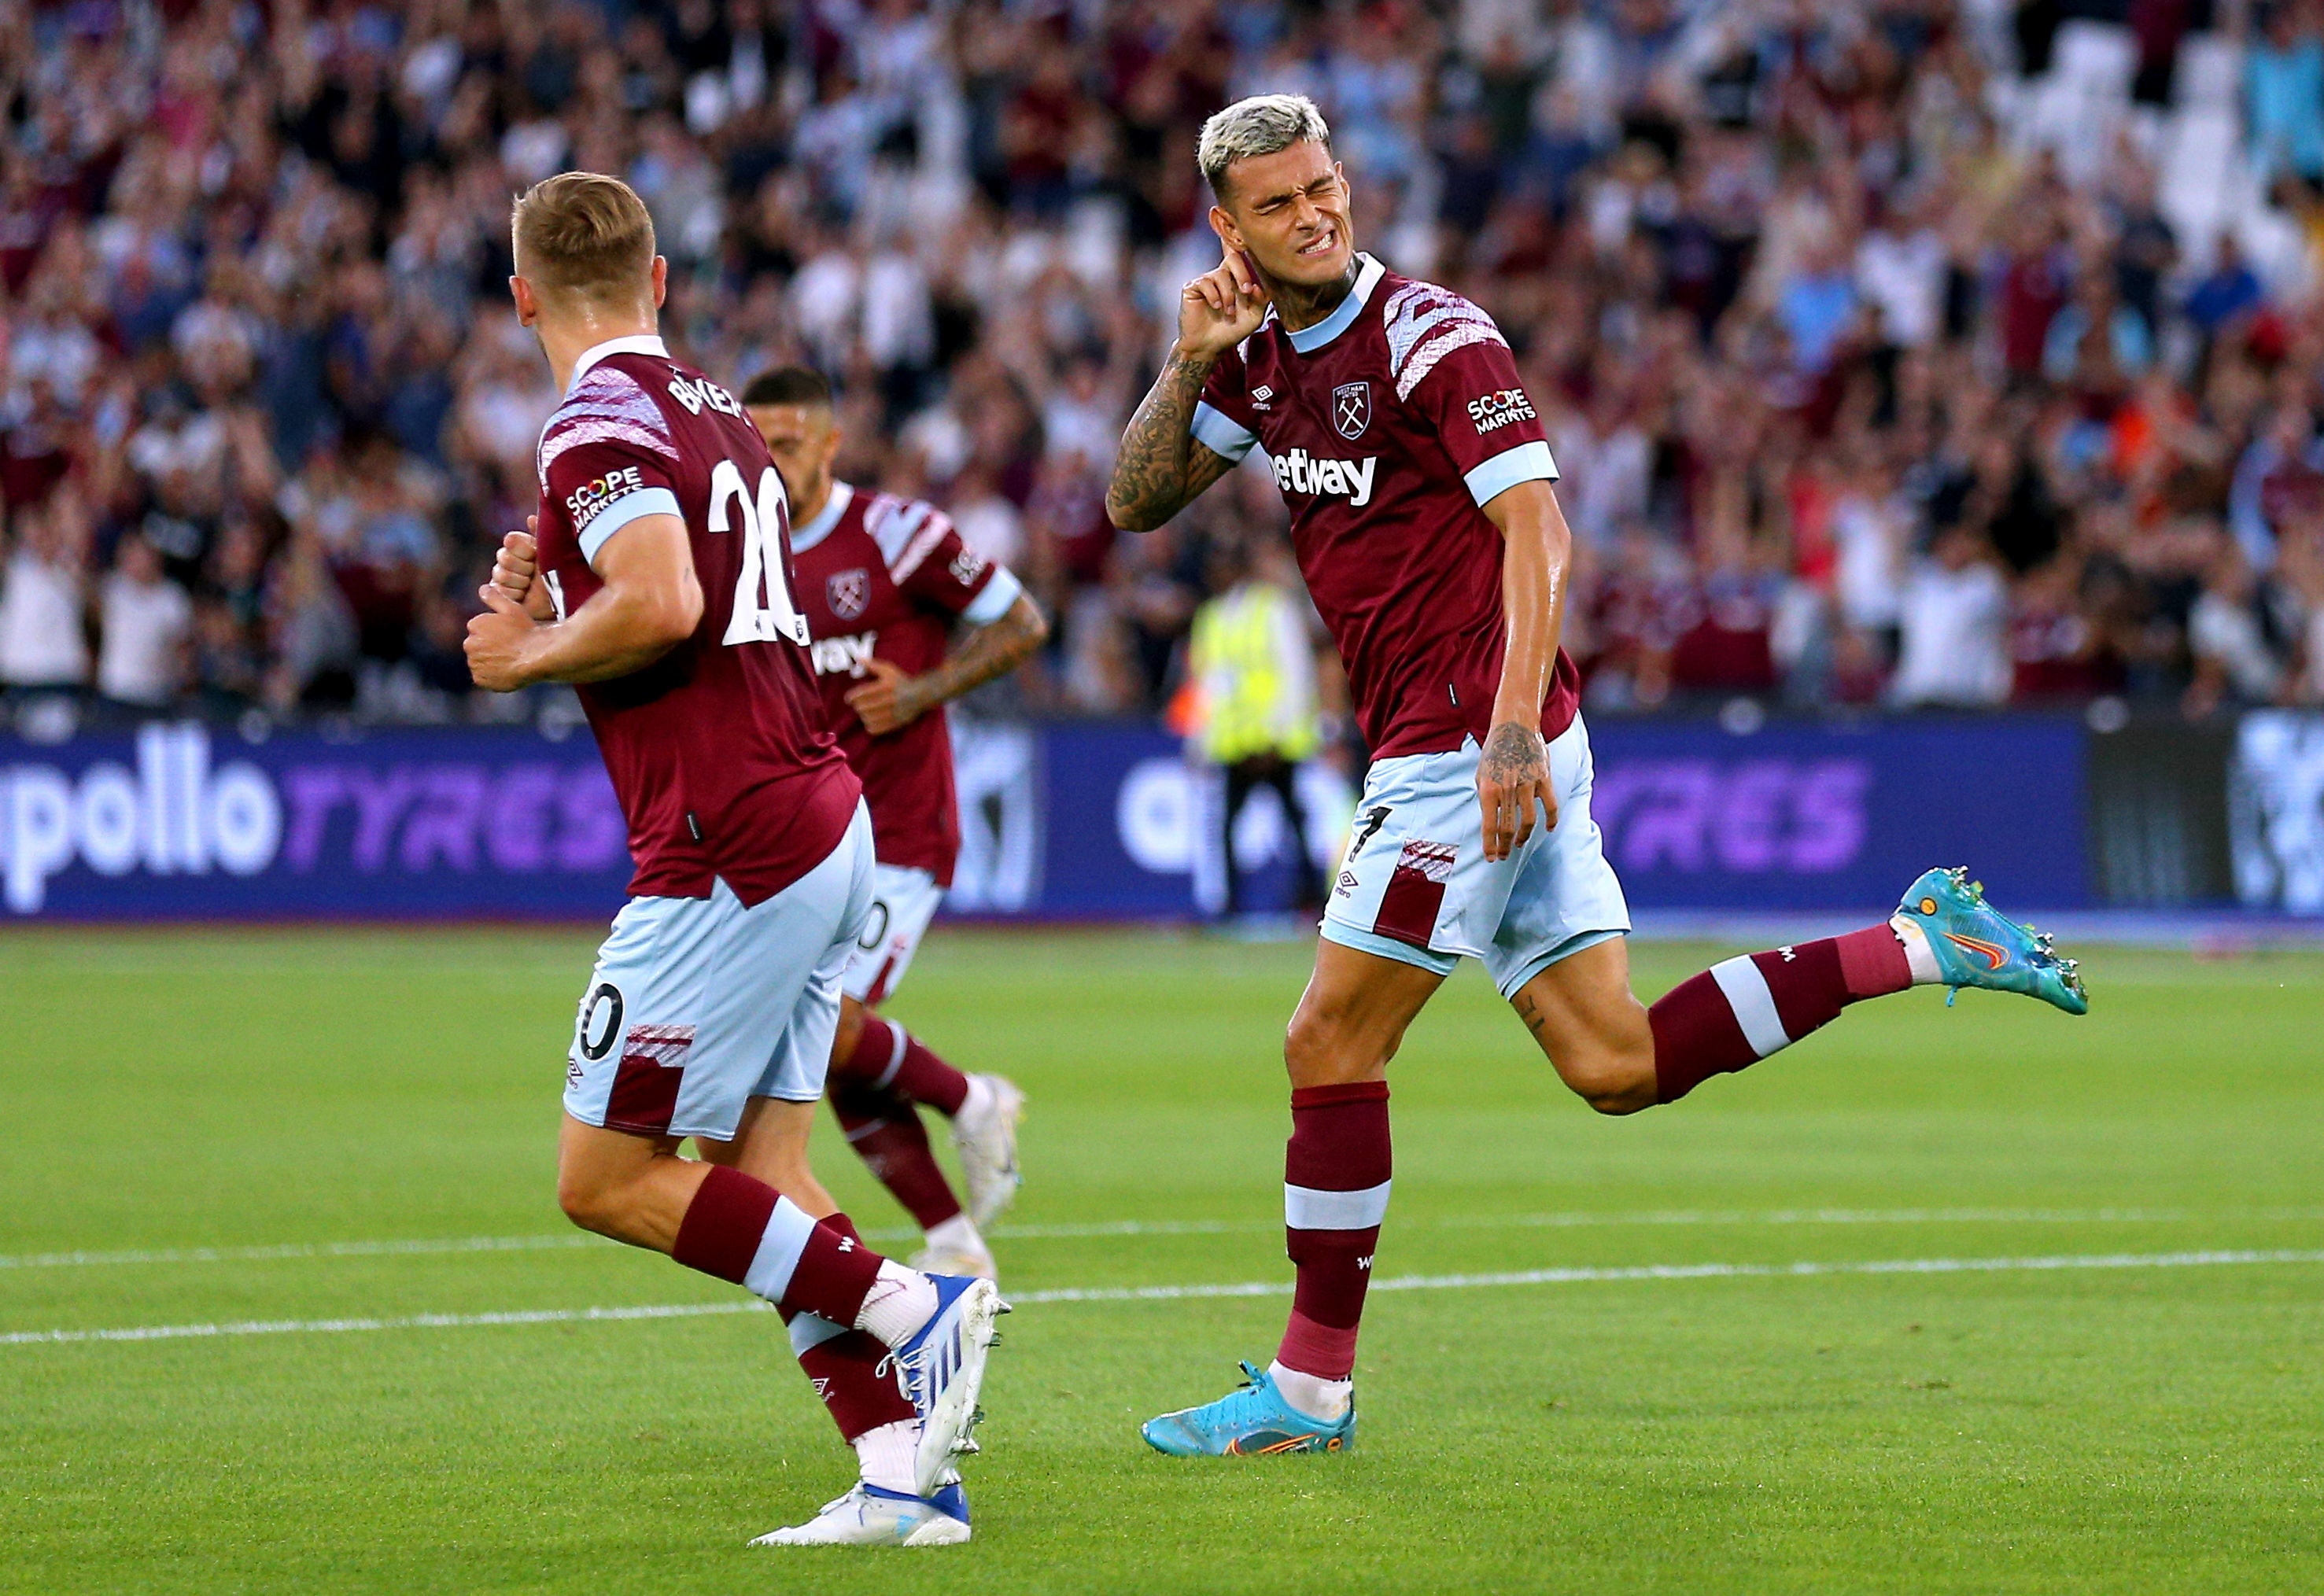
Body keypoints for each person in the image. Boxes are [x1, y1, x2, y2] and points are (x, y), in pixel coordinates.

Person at [1104, 95, 2089, 1458]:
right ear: (1227, 225)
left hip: (1468, 739)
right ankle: (1916, 941)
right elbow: (1132, 500)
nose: (1313, 213)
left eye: (1322, 185)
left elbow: (1537, 527)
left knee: (1328, 1038)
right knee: (1612, 1059)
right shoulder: (1248, 359)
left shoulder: (1430, 335)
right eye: (1276, 203)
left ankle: (1308, 1389)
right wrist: (1182, 360)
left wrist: (1507, 721)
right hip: (1472, 734)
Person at [463, 171, 1002, 1547]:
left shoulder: (591, 425)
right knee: (759, 1164)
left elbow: (664, 599)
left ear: (522, 298)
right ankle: (902, 1473)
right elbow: (687, 600)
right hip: (820, 815)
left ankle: (912, 1299)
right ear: (656, 283)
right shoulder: (714, 412)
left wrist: (525, 649)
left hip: (724, 845)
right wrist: (556, 614)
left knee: (605, 1174)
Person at [743, 365, 1049, 1281]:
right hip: (799, 838)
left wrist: (922, 690)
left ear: (831, 444)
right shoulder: (741, 554)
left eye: (788, 443)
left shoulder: (895, 532)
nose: (770, 461)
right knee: (820, 1050)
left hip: (898, 832)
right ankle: (952, 1235)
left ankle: (969, 1101)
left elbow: (1022, 622)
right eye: (755, 446)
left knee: (828, 1023)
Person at [1186, 535, 1328, 918]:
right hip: (1233, 744)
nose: (1219, 573)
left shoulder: (1273, 609)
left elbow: (1296, 673)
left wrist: (1278, 736)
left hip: (1273, 744)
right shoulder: (1210, 617)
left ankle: (1311, 896)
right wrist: (1199, 741)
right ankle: (1230, 903)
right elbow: (1206, 684)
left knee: (1294, 823)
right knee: (1228, 827)